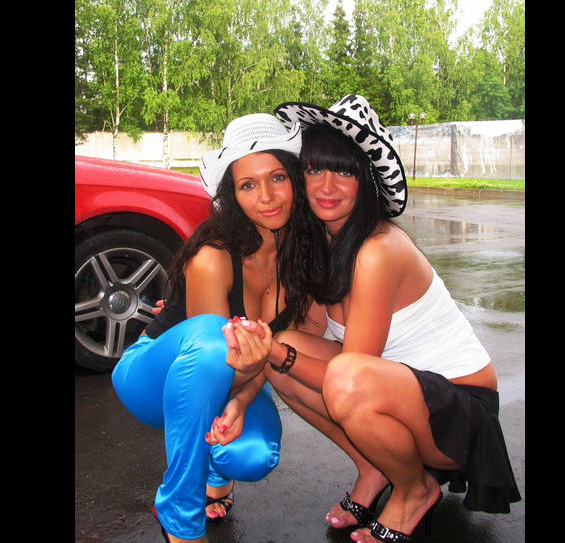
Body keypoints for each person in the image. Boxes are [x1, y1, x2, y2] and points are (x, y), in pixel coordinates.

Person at [245, 94, 521, 542]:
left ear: (367, 179)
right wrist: (260, 341)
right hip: (401, 391)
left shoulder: (377, 251)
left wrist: (276, 352)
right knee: (286, 356)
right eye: (315, 170)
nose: (326, 186)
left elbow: (352, 371)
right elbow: (308, 332)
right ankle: (373, 466)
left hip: (458, 410)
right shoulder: (324, 242)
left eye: (344, 171)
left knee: (332, 374)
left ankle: (414, 490)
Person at [111, 113, 318, 543]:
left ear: (295, 179)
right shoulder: (214, 258)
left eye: (277, 177)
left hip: (230, 378)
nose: (267, 196)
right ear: (232, 195)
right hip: (153, 377)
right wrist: (246, 380)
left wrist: (241, 401)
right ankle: (179, 516)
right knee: (213, 341)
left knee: (253, 455)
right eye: (248, 185)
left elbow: (266, 357)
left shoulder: (300, 258)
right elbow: (212, 359)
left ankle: (214, 472)